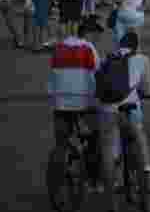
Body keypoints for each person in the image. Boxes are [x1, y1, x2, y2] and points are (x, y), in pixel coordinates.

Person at [96, 30, 150, 211]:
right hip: (130, 110)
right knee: (139, 135)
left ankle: (110, 191)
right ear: (136, 47)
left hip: (108, 110)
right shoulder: (142, 60)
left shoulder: (107, 60)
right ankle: (145, 171)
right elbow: (147, 91)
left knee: (109, 149)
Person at [49, 14, 105, 194]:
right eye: (97, 33)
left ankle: (60, 169)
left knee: (61, 141)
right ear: (88, 32)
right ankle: (94, 181)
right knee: (94, 138)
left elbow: (53, 77)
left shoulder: (59, 47)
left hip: (60, 103)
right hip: (83, 104)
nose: (98, 37)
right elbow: (98, 77)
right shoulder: (89, 48)